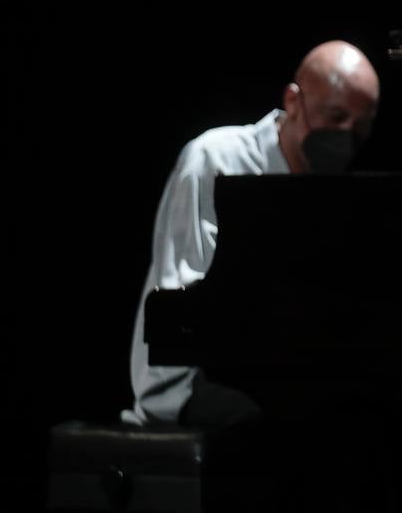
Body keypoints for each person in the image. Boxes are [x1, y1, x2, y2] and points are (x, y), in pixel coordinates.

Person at [122, 39, 380, 427]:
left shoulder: (334, 187)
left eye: (360, 126)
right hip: (188, 379)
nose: (346, 136)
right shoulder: (216, 158)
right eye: (335, 116)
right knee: (278, 426)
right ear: (293, 101)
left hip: (277, 372)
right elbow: (183, 308)